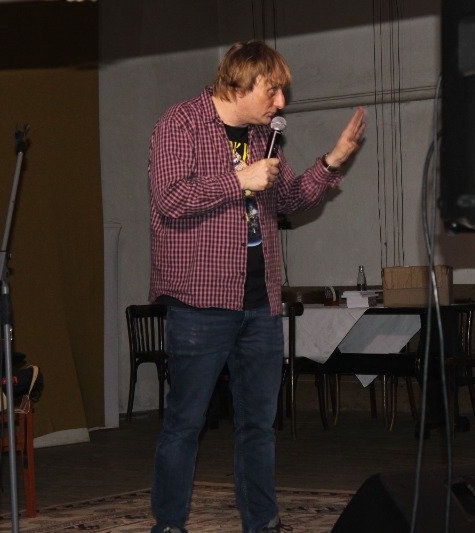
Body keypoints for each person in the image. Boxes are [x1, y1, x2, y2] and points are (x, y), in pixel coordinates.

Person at [148, 40, 366, 533]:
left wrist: (333, 160)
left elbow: (290, 198)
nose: (281, 103)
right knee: (185, 423)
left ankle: (262, 522)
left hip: (260, 302)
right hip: (200, 302)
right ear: (240, 83)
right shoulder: (181, 124)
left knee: (259, 426)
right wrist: (239, 180)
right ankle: (169, 525)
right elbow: (170, 198)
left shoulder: (264, 135)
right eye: (273, 91)